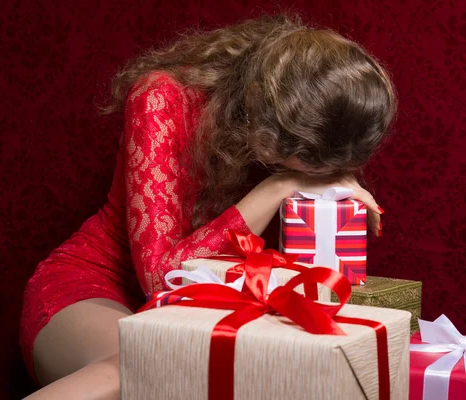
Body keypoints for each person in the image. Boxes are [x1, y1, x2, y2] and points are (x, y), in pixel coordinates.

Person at [20, 13, 397, 399]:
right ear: (261, 118)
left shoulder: (322, 130)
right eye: (293, 167)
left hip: (205, 314)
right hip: (96, 290)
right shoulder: (163, 97)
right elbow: (158, 277)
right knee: (148, 367)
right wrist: (279, 185)